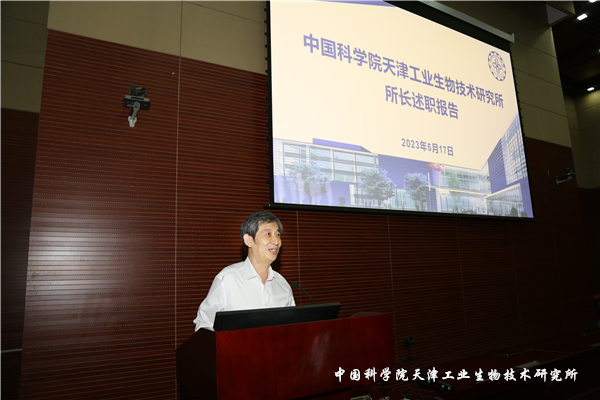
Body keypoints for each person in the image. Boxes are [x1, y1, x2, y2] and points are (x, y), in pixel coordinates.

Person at [193, 211, 295, 331]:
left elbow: (292, 327)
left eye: (277, 235)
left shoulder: (283, 285)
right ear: (248, 240)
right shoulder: (227, 279)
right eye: (268, 234)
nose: (276, 241)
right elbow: (203, 325)